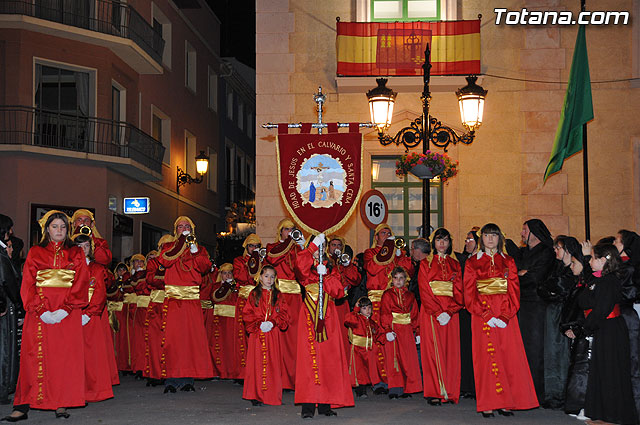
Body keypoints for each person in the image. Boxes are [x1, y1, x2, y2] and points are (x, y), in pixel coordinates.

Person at [4, 210, 90, 421]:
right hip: (40, 312)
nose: (59, 231)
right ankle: (23, 405)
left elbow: (81, 282)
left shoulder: (76, 253)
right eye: (55, 227)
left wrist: (66, 309)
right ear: (47, 230)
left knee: (64, 359)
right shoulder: (35, 251)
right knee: (32, 357)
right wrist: (40, 310)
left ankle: (61, 402)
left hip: (67, 313)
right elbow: (27, 284)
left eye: (63, 227)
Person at [464, 223, 538, 417]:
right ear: (482, 239)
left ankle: (506, 401)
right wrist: (486, 315)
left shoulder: (509, 261)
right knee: (485, 359)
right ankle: (488, 402)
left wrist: (506, 315)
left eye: (494, 235)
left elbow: (514, 290)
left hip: (506, 315)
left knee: (507, 357)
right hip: (482, 316)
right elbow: (469, 293)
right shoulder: (472, 263)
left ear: (500, 238)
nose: (490, 239)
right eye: (487, 235)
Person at [294, 233, 354, 418]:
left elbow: (338, 291)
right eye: (317, 246)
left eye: (321, 247)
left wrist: (326, 275)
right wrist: (311, 247)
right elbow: (299, 268)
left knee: (328, 359)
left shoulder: (330, 267)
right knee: (309, 359)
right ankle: (308, 405)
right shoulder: (306, 262)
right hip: (309, 315)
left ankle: (326, 403)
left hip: (328, 315)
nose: (319, 251)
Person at [578, 243, 638, 425]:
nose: (590, 261)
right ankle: (603, 414)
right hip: (605, 328)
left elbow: (601, 309)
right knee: (602, 371)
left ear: (603, 260)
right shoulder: (602, 280)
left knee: (611, 372)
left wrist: (585, 327)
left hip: (610, 329)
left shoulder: (609, 281)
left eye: (593, 258)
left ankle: (612, 417)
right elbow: (584, 300)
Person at [157, 216, 213, 393]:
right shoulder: (168, 247)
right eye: (180, 227)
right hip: (173, 300)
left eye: (187, 226)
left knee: (190, 340)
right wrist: (181, 244)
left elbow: (204, 268)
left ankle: (188, 379)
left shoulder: (199, 249)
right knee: (173, 341)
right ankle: (171, 380)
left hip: (191, 301)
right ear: (176, 230)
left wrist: (195, 250)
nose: (184, 229)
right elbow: (165, 261)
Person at [506, 218, 555, 404]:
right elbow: (514, 272)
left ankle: (535, 394)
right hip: (521, 304)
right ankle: (521, 391)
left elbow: (535, 277)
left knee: (534, 350)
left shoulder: (546, 252)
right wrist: (521, 272)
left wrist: (522, 274)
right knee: (520, 350)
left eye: (525, 230)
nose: (522, 233)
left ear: (534, 232)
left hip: (536, 306)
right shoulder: (525, 252)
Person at [363, 223, 414, 394]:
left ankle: (397, 380)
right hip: (376, 300)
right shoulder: (370, 253)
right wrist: (388, 250)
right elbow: (372, 268)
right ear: (376, 237)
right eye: (382, 233)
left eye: (388, 233)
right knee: (378, 341)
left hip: (394, 301)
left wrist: (400, 255)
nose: (386, 235)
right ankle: (379, 380)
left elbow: (409, 271)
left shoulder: (395, 254)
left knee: (396, 343)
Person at [418, 228, 464, 405]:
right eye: (439, 240)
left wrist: (451, 311)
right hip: (431, 312)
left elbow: (459, 291)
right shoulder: (425, 264)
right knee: (431, 351)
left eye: (445, 240)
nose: (442, 243)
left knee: (451, 351)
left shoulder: (455, 264)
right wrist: (438, 312)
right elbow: (424, 290)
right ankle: (434, 392)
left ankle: (451, 391)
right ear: (433, 243)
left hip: (451, 312)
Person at [73, 233, 114, 402]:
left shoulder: (97, 269)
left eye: (86, 246)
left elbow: (99, 294)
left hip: (89, 317)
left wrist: (89, 314)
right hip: (71, 316)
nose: (83, 250)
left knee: (92, 356)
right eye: (79, 246)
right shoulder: (67, 268)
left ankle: (93, 391)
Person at [537, 236, 577, 409]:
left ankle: (562, 393)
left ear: (567, 249)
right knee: (551, 351)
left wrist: (552, 288)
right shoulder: (557, 267)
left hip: (565, 313)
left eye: (558, 248)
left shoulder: (573, 269)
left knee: (563, 352)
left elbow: (560, 286)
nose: (555, 251)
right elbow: (542, 287)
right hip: (553, 312)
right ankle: (552, 393)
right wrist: (551, 289)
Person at [265, 218, 304, 390]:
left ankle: (295, 379)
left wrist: (303, 247)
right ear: (280, 231)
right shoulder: (272, 246)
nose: (289, 232)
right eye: (286, 229)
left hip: (295, 297)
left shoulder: (296, 249)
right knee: (276, 338)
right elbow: (272, 259)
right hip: (277, 296)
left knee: (294, 339)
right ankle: (277, 379)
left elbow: (304, 270)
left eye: (292, 229)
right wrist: (290, 241)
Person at [242, 265, 289, 406]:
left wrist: (273, 322)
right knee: (256, 364)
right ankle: (255, 395)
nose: (269, 279)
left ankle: (271, 395)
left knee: (272, 363)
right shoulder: (253, 294)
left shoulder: (279, 295)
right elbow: (247, 313)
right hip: (258, 333)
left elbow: (285, 314)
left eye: (272, 277)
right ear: (260, 277)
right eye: (266, 276)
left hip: (272, 334)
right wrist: (258, 323)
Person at [380, 267, 422, 399]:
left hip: (407, 330)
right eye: (396, 278)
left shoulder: (410, 296)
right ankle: (394, 388)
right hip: (394, 329)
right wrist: (387, 330)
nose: (398, 281)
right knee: (394, 359)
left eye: (401, 278)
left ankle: (408, 387)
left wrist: (418, 331)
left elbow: (415, 314)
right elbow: (385, 312)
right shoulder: (387, 294)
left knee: (408, 359)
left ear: (406, 280)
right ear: (392, 280)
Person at [613, 229, 640, 417]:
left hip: (626, 317)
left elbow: (629, 293)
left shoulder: (629, 268)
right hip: (617, 316)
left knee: (632, 362)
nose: (614, 243)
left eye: (617, 240)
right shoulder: (618, 267)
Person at [143, 234, 174, 385]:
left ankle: (171, 373)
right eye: (164, 246)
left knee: (171, 341)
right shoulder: (154, 262)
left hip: (173, 304)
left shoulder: (176, 261)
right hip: (156, 305)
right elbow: (151, 279)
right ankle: (155, 374)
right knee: (155, 341)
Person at [454, 227, 479, 399]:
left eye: (469, 239)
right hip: (464, 310)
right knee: (464, 349)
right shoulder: (462, 260)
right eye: (465, 239)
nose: (466, 242)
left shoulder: (483, 260)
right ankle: (466, 385)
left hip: (479, 309)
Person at [326, 234, 361, 358]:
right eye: (333, 245)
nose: (336, 248)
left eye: (339, 245)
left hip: (341, 304)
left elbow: (356, 280)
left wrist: (348, 265)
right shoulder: (324, 261)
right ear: (328, 247)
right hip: (327, 303)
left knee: (342, 333)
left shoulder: (345, 262)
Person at [233, 234, 262, 379]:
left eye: (257, 246)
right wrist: (251, 263)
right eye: (251, 246)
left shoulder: (264, 259)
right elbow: (242, 277)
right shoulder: (239, 261)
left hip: (259, 300)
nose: (254, 249)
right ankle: (243, 373)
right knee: (242, 335)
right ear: (246, 247)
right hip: (244, 299)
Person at [344, 297, 384, 399]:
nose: (368, 310)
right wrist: (356, 309)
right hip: (358, 349)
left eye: (369, 308)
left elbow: (378, 333)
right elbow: (348, 319)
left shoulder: (371, 323)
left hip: (368, 350)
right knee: (359, 371)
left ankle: (374, 386)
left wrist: (386, 337)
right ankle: (360, 391)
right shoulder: (357, 319)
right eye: (364, 308)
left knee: (369, 370)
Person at [0, 215, 20, 405]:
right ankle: (3, 388)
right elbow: (7, 281)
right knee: (4, 348)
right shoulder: (2, 254)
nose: (11, 233)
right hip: (4, 307)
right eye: (9, 229)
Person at [210, 263, 240, 380]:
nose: (227, 275)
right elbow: (215, 297)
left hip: (232, 319)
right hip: (219, 319)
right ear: (220, 274)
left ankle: (232, 373)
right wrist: (226, 286)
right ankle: (218, 371)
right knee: (218, 347)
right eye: (224, 273)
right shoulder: (216, 286)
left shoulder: (237, 286)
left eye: (229, 273)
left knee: (232, 347)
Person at [408, 238, 430, 307]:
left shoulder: (424, 266)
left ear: (418, 250)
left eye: (412, 249)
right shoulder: (422, 264)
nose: (411, 252)